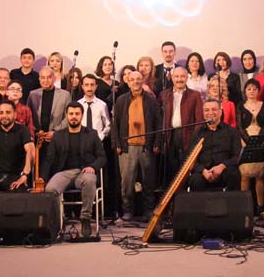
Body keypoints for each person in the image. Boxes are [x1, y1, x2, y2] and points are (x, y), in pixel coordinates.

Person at [43, 102, 107, 236]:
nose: (74, 117)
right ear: (66, 115)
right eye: (71, 114)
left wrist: (92, 167)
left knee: (89, 180)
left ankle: (85, 218)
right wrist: (42, 178)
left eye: (77, 114)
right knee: (50, 189)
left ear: (82, 116)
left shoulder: (91, 134)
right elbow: (49, 159)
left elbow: (102, 157)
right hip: (64, 173)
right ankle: (56, 221)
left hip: (84, 172)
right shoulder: (58, 135)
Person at [112, 71, 162, 221]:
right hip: (127, 147)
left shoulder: (151, 100)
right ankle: (127, 210)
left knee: (148, 181)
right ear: (128, 82)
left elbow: (158, 122)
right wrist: (117, 143)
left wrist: (157, 142)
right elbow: (115, 124)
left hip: (147, 146)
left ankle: (148, 210)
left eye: (138, 79)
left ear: (142, 81)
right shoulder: (121, 100)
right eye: (132, 79)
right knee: (127, 182)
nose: (135, 82)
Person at [158, 67, 204, 183]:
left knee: (186, 166)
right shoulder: (164, 95)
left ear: (187, 78)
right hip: (169, 135)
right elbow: (159, 118)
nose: (179, 79)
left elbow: (199, 119)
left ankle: (186, 192)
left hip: (188, 135)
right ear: (172, 78)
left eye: (182, 76)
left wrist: (194, 137)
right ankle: (172, 193)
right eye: (177, 76)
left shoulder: (195, 95)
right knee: (171, 168)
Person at [79, 73, 115, 218]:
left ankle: (99, 212)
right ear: (82, 86)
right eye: (86, 85)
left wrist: (99, 136)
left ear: (96, 86)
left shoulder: (102, 104)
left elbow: (108, 125)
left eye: (92, 85)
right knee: (83, 176)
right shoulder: (77, 104)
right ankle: (82, 210)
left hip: (98, 145)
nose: (89, 88)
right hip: (81, 145)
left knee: (100, 178)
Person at [187, 99, 241, 191]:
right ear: (203, 113)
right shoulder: (197, 133)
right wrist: (203, 170)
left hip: (224, 170)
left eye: (214, 109)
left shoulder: (232, 132)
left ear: (220, 112)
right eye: (207, 110)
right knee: (195, 180)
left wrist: (222, 166)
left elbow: (238, 156)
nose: (210, 113)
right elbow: (190, 159)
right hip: (204, 173)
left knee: (233, 175)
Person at [28, 67, 70, 173]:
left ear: (54, 78)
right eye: (42, 78)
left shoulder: (65, 95)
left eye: (48, 77)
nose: (45, 80)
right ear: (39, 79)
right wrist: (37, 132)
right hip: (38, 139)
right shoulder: (33, 94)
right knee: (39, 171)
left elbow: (67, 117)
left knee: (55, 171)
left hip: (57, 138)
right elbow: (29, 116)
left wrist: (55, 132)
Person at [236, 79, 264, 212]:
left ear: (259, 91)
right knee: (245, 175)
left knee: (260, 176)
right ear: (245, 91)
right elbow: (239, 126)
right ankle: (244, 207)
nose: (252, 91)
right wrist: (248, 142)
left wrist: (258, 140)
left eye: (254, 89)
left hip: (261, 140)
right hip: (245, 141)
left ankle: (260, 207)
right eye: (249, 89)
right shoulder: (240, 106)